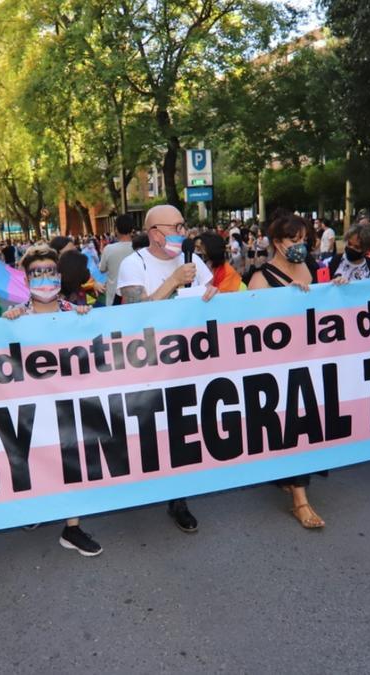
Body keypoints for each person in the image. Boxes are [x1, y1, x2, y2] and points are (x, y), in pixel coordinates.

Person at [117, 204, 216, 533]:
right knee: (148, 430)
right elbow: (134, 316)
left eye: (183, 225)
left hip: (186, 360)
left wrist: (211, 293)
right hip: (146, 364)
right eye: (175, 226)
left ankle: (178, 497)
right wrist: (173, 281)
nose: (182, 232)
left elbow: (214, 297)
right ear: (156, 233)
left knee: (181, 429)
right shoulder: (135, 264)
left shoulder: (193, 260)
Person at [2, 246, 101, 555]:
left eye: (49, 272)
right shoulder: (14, 317)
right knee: (35, 458)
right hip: (31, 405)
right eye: (37, 273)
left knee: (72, 456)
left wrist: (87, 320)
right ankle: (38, 509)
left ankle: (72, 528)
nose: (44, 278)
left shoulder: (74, 312)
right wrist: (5, 323)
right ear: (26, 278)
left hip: (68, 403)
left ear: (59, 276)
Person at [245, 215, 329, 528]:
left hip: (312, 360)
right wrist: (284, 303)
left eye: (303, 239)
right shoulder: (261, 278)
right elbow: (250, 329)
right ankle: (300, 501)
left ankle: (287, 477)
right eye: (293, 240)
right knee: (294, 427)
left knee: (305, 426)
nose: (300, 245)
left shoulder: (313, 266)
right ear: (278, 243)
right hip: (279, 370)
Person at [100, 215, 136, 306]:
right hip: (135, 296)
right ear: (132, 229)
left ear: (116, 229)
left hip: (113, 297)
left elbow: (102, 269)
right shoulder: (139, 248)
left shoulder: (109, 249)